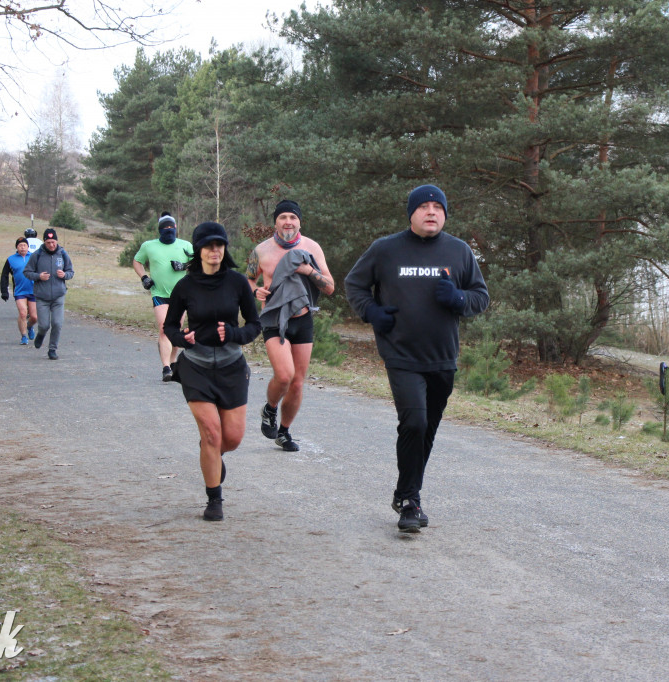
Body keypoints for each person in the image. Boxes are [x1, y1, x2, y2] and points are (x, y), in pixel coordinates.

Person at [345, 184, 489, 532]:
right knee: (414, 423)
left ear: (444, 214)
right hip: (401, 353)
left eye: (437, 207)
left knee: (427, 430)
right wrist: (372, 313)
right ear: (411, 213)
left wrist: (458, 299)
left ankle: (405, 491)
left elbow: (480, 297)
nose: (430, 212)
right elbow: (354, 285)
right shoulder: (385, 249)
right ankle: (410, 502)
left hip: (442, 357)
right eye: (423, 206)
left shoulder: (459, 251)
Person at [164, 222, 262, 521]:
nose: (214, 250)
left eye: (219, 245)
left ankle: (213, 453)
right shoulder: (185, 286)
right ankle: (214, 498)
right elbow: (169, 326)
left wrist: (233, 333)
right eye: (208, 246)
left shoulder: (236, 283)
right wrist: (182, 339)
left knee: (230, 439)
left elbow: (254, 325)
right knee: (211, 433)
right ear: (199, 250)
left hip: (232, 367)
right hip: (196, 367)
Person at [245, 199, 334, 452]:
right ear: (275, 221)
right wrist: (256, 291)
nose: (288, 222)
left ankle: (283, 432)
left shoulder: (312, 248)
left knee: (297, 382)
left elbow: (329, 287)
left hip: (302, 318)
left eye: (293, 218)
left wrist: (308, 271)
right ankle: (269, 408)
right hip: (274, 319)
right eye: (283, 217)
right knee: (284, 375)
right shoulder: (261, 250)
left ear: (299, 222)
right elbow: (249, 279)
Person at [132, 212, 193, 381]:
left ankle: (173, 362)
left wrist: (184, 265)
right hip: (159, 293)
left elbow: (199, 262)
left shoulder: (185, 245)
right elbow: (137, 261)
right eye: (165, 228)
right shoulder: (148, 246)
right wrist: (144, 277)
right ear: (159, 230)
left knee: (175, 330)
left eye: (171, 227)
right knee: (164, 328)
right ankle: (166, 367)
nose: (169, 230)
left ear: (176, 229)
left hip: (181, 295)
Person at [23, 228, 74, 360]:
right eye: (48, 242)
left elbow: (71, 272)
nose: (51, 245)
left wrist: (65, 275)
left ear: (56, 241)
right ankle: (40, 334)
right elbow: (27, 272)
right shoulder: (37, 255)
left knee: (57, 323)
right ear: (44, 242)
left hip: (58, 295)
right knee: (44, 325)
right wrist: (38, 276)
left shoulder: (63, 254)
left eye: (53, 242)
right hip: (42, 297)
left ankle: (52, 349)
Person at [0, 237, 38, 343]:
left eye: (24, 245)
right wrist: (4, 291)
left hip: (33, 290)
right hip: (20, 291)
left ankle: (30, 326)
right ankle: (24, 336)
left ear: (28, 247)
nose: (22, 247)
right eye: (20, 245)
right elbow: (4, 275)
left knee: (34, 317)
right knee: (23, 313)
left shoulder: (34, 257)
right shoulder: (11, 259)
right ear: (16, 247)